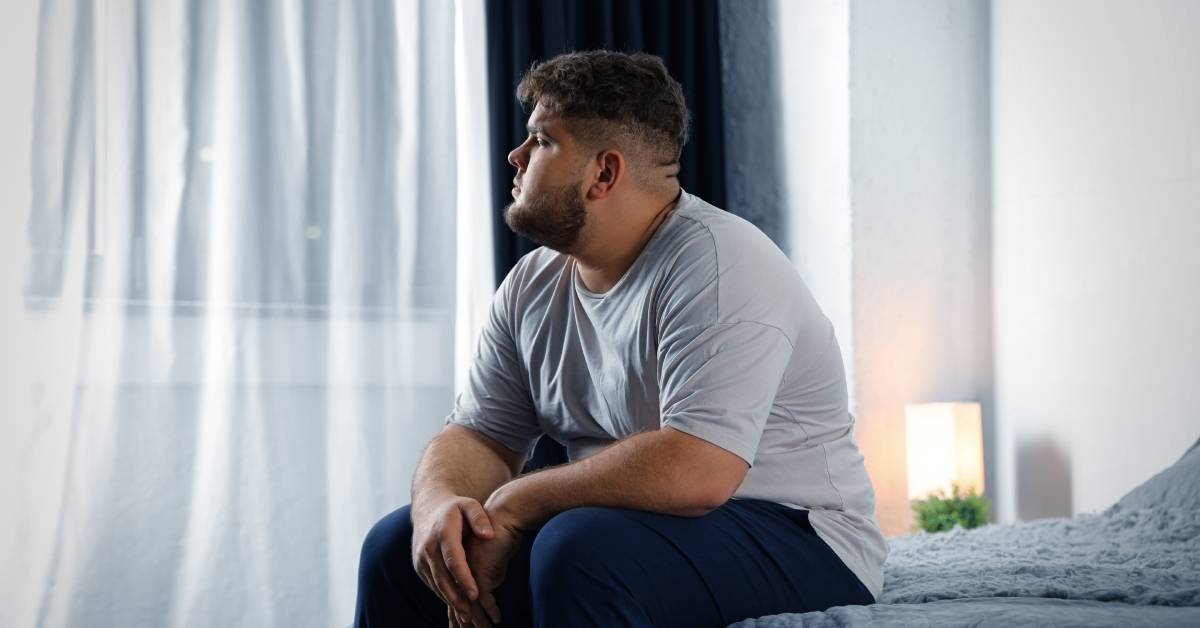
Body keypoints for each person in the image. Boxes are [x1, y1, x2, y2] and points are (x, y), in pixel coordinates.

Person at [354, 50, 887, 628]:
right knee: (398, 548)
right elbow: (479, 435)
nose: (516, 156)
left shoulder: (717, 263)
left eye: (542, 141)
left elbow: (698, 469)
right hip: (635, 527)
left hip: (799, 534)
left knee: (578, 549)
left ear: (603, 173)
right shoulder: (532, 285)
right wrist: (438, 510)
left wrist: (514, 503)